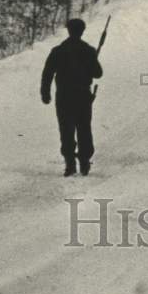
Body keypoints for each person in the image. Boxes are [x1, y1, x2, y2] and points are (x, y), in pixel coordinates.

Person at [41, 18, 103, 176]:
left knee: (66, 129)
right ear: (82, 31)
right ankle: (84, 162)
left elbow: (47, 73)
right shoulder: (88, 50)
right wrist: (92, 61)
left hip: (64, 96)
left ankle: (70, 163)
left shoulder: (58, 50)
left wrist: (45, 93)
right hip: (83, 96)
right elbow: (98, 74)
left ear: (68, 30)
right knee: (84, 128)